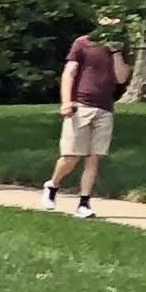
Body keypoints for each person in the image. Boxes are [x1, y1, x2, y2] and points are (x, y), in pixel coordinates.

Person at [45, 12, 129, 212]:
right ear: (100, 20)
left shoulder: (120, 46)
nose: (113, 22)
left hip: (105, 108)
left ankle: (84, 203)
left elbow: (121, 78)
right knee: (71, 156)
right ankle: (52, 186)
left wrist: (116, 52)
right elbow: (70, 73)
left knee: (93, 158)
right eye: (109, 17)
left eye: (116, 19)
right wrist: (66, 101)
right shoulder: (83, 43)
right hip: (81, 106)